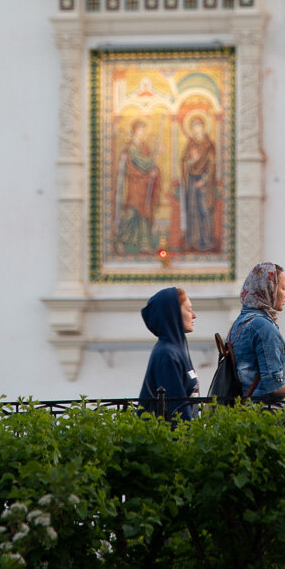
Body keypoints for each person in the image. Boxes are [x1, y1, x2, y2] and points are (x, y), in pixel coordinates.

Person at [228, 262, 285, 401]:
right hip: (264, 414)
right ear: (268, 289)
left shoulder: (239, 324)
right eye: (283, 288)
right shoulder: (263, 326)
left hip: (243, 414)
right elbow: (274, 385)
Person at [138, 286, 199, 421]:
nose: (194, 315)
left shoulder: (176, 350)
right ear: (174, 314)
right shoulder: (167, 354)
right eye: (188, 309)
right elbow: (176, 409)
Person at [114, 118, 161, 254]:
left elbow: (150, 166)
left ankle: (145, 244)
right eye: (139, 131)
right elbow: (143, 163)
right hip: (135, 185)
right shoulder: (132, 148)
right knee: (132, 212)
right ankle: (119, 240)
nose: (142, 133)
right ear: (134, 131)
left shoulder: (143, 146)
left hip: (144, 185)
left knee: (144, 214)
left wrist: (155, 171)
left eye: (143, 131)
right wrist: (155, 156)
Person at [180, 114, 217, 252]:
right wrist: (192, 161)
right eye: (193, 127)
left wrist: (204, 180)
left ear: (203, 128)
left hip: (204, 183)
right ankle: (193, 240)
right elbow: (184, 162)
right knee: (192, 210)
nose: (196, 130)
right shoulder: (190, 145)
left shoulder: (208, 145)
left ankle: (206, 240)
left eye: (198, 127)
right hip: (191, 182)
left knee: (204, 210)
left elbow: (212, 165)